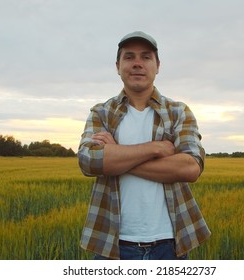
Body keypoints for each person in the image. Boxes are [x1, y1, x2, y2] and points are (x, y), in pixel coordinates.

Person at [78, 31, 211, 260]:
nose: (137, 64)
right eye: (129, 57)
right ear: (118, 66)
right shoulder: (102, 112)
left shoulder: (178, 111)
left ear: (157, 65)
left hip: (170, 244)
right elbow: (89, 161)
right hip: (112, 245)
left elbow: (190, 168)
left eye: (146, 57)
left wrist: (116, 155)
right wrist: (156, 149)